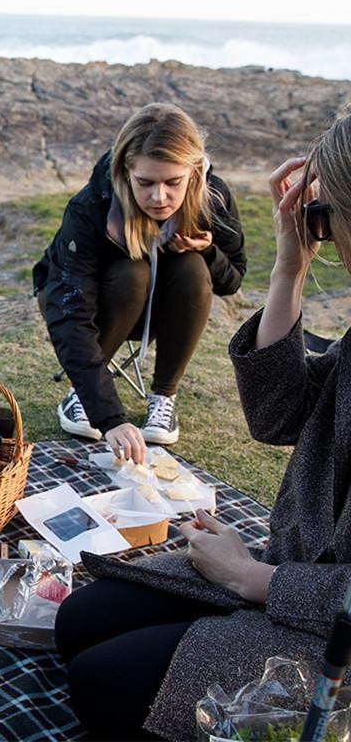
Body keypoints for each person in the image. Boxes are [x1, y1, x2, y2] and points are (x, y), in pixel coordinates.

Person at [53, 113, 351, 741]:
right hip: (296, 570)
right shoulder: (94, 208)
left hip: (330, 633)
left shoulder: (207, 203)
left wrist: (252, 578)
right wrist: (289, 270)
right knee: (77, 622)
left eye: (321, 215)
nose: (317, 228)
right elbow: (279, 417)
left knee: (99, 682)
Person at [33, 103, 246, 458]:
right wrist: (109, 415)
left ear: (193, 172)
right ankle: (80, 396)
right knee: (132, 271)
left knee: (193, 267)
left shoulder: (214, 198)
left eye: (173, 182)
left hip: (167, 310)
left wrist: (208, 251)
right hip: (98, 303)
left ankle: (164, 397)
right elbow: (68, 309)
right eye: (144, 182)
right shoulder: (92, 206)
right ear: (125, 171)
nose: (158, 197)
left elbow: (232, 279)